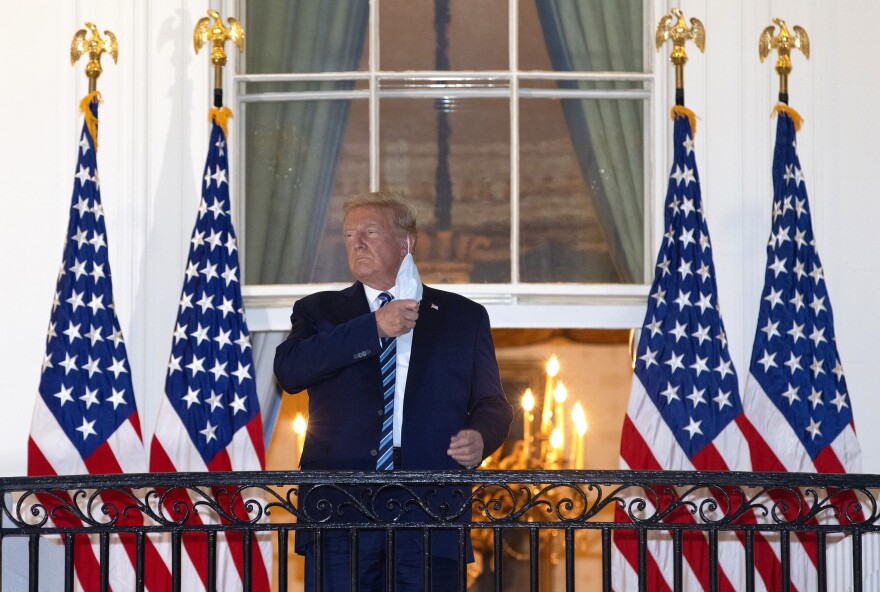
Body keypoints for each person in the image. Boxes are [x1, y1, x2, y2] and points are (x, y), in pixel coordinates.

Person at [274, 192, 512, 591]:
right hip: (340, 503)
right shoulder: (319, 311)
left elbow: (492, 404)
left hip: (431, 503)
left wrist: (481, 436)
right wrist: (373, 327)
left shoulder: (462, 316)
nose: (357, 243)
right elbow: (290, 371)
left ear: (406, 243)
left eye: (369, 232)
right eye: (350, 235)